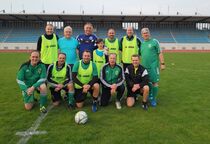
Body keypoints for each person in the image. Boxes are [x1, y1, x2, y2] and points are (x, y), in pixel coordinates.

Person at [140, 28, 165, 107]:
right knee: (147, 83)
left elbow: (160, 53)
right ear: (142, 35)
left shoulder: (154, 41)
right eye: (144, 33)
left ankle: (153, 99)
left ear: (149, 33)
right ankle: (150, 95)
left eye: (147, 33)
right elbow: (139, 55)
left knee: (155, 83)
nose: (145, 34)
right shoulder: (141, 44)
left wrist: (162, 63)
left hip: (153, 67)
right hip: (144, 68)